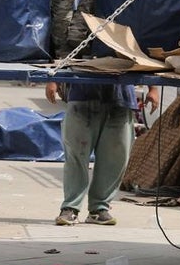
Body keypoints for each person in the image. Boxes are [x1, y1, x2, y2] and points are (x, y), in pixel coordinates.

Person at [45, 80, 160, 226]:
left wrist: (153, 88)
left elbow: (147, 58)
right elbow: (62, 57)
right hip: (83, 95)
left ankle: (99, 209)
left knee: (114, 159)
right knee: (76, 156)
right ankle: (70, 208)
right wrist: (53, 80)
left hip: (120, 98)